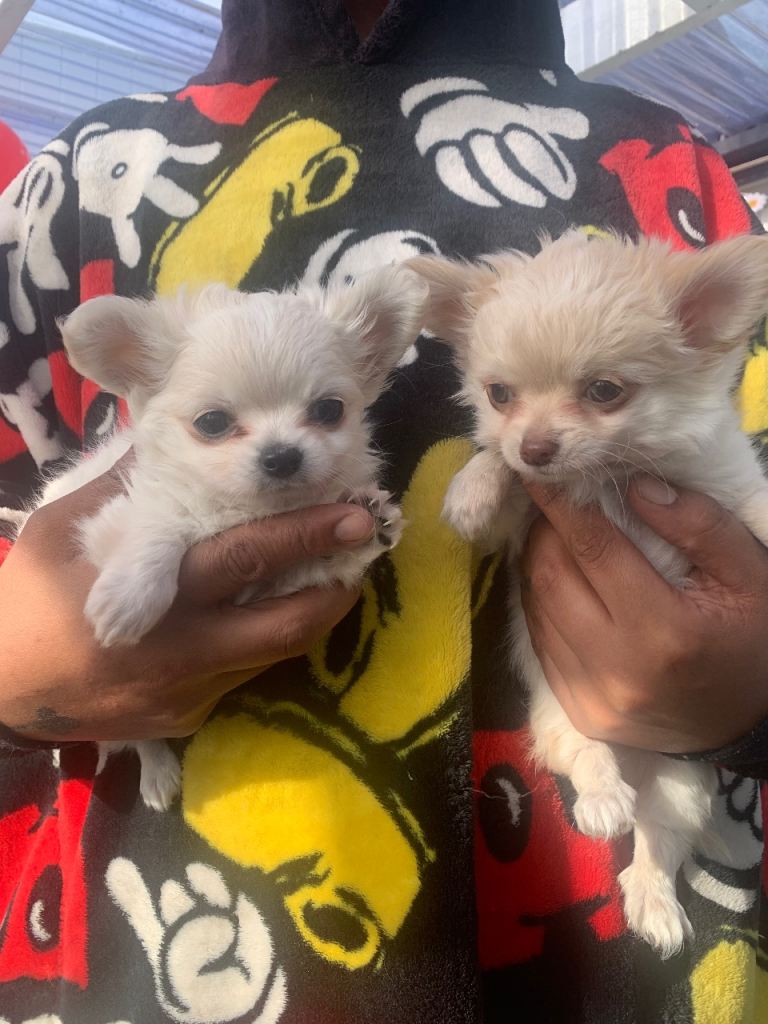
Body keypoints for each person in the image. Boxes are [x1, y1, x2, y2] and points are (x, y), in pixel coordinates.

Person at [0, 1, 767, 1020]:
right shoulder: (76, 182)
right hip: (162, 949)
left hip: (635, 937)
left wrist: (754, 695)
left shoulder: (675, 164)